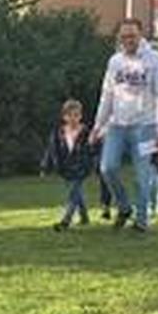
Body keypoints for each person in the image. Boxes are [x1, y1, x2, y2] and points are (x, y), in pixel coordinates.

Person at [91, 18, 158, 234]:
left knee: (142, 175)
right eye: (124, 36)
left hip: (145, 125)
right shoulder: (115, 61)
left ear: (141, 35)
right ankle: (124, 206)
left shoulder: (155, 59)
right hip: (117, 125)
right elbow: (107, 95)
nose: (128, 40)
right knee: (107, 168)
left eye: (132, 36)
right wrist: (98, 125)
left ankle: (142, 220)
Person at [40, 99, 96, 231]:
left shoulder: (86, 132)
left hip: (82, 167)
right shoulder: (58, 133)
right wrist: (45, 166)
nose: (73, 118)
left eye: (76, 115)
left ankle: (66, 220)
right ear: (64, 117)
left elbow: (94, 149)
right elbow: (51, 150)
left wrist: (94, 163)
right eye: (70, 115)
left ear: (80, 116)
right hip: (65, 168)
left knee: (73, 193)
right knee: (77, 193)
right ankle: (84, 217)